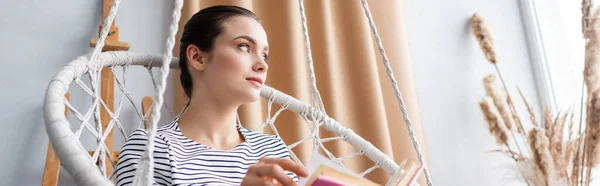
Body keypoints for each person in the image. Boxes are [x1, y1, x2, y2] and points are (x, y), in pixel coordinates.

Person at [115, 5, 309, 186]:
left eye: (265, 55)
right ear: (197, 57)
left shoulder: (273, 150)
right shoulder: (149, 148)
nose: (262, 65)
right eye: (244, 47)